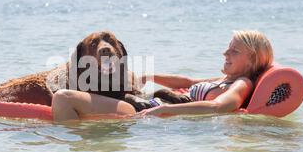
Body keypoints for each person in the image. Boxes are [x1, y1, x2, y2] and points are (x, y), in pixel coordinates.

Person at [51, 30, 273, 122]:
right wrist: (150, 76)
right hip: (150, 102)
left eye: (234, 51)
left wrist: (164, 109)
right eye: (228, 47)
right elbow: (188, 82)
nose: (225, 53)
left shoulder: (242, 83)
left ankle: (74, 148)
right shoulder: (225, 80)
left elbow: (218, 108)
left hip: (144, 109)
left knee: (63, 98)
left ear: (252, 60)